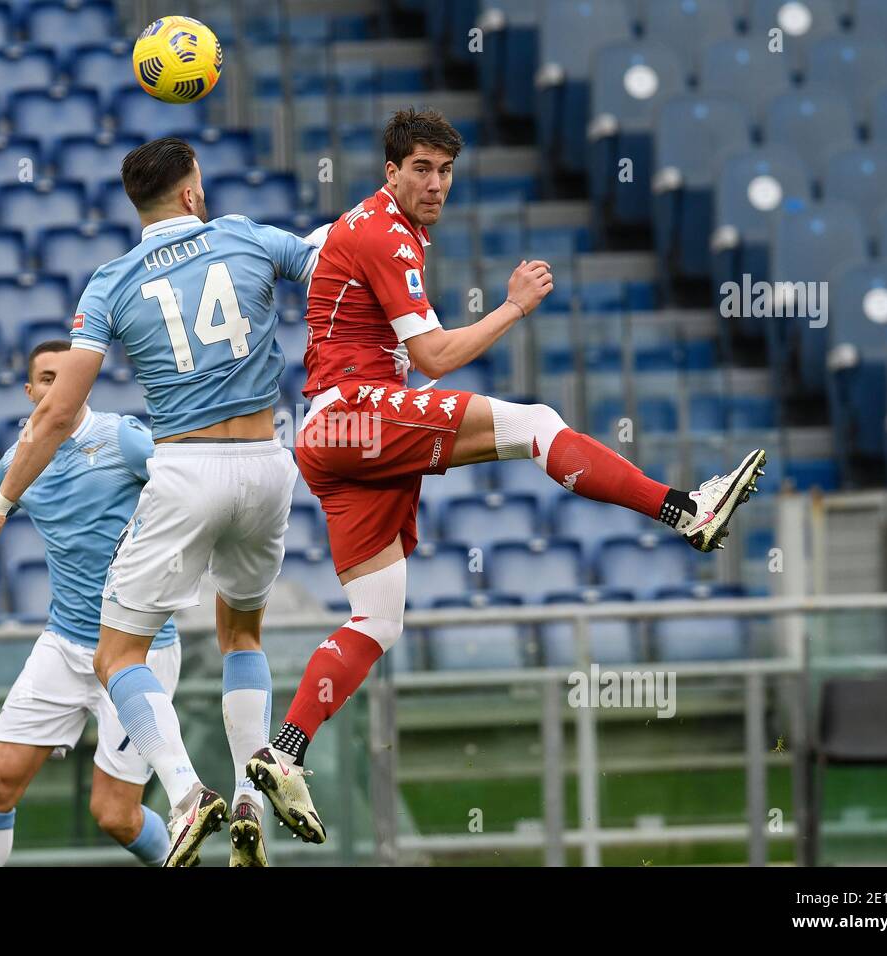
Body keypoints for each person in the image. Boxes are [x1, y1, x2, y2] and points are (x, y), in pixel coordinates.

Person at [247, 108, 766, 845]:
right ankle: (687, 510)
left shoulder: (371, 227)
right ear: (390, 172)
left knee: (379, 618)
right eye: (421, 169)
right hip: (356, 416)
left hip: (331, 437)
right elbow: (430, 359)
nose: (435, 184)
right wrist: (514, 306)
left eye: (446, 170)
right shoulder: (385, 232)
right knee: (536, 423)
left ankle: (285, 749)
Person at [0, 137, 322, 866]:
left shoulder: (111, 282)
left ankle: (191, 797)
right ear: (192, 192)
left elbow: (60, 413)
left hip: (187, 465)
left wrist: (1, 504)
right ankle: (258, 785)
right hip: (266, 461)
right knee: (241, 636)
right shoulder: (246, 235)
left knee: (116, 652)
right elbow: (336, 278)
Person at [0, 341, 190, 865]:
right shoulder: (19, 461)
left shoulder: (121, 438)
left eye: (65, 377)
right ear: (30, 392)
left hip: (138, 653)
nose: (56, 387)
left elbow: (187, 489)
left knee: (115, 815)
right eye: (45, 378)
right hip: (65, 645)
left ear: (84, 384)